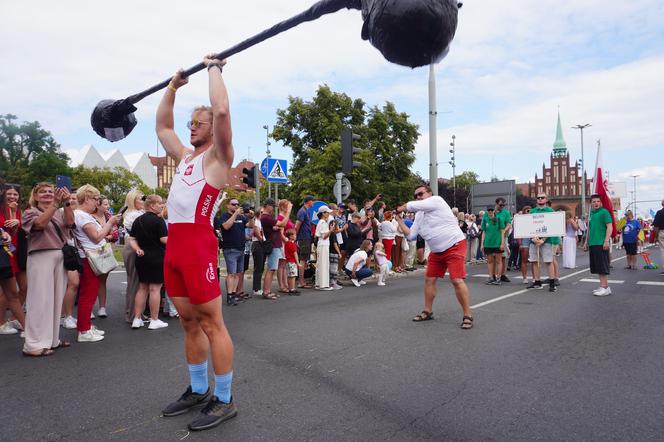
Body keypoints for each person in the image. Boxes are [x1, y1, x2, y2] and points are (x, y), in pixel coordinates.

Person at [156, 55, 237, 430]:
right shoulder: (185, 157)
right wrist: (172, 87)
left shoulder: (219, 159)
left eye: (197, 123)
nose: (192, 128)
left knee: (211, 323)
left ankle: (223, 398)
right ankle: (198, 388)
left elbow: (221, 110)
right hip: (175, 247)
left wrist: (213, 68)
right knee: (188, 322)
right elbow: (162, 126)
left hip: (199, 245)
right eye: (191, 123)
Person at [395, 185, 473, 329]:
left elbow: (411, 205)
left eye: (420, 194)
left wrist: (401, 208)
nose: (418, 197)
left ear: (429, 193)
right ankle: (428, 311)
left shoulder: (437, 200)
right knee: (429, 280)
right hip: (437, 251)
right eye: (416, 195)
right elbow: (411, 235)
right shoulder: (419, 215)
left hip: (454, 244)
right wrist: (399, 220)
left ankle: (467, 315)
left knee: (456, 280)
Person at [21, 183, 74, 356]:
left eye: (50, 192)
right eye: (42, 192)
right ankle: (33, 344)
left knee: (56, 299)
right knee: (39, 300)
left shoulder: (58, 211)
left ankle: (52, 339)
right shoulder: (30, 212)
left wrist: (66, 203)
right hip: (40, 256)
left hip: (59, 256)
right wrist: (55, 204)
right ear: (35, 196)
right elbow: (40, 225)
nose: (47, 194)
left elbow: (70, 222)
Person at [72, 185, 121, 342]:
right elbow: (96, 237)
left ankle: (85, 325)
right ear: (87, 198)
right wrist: (110, 222)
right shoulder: (83, 216)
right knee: (88, 294)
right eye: (95, 199)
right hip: (90, 257)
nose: (96, 203)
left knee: (88, 293)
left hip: (87, 256)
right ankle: (84, 330)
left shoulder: (78, 214)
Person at [129, 195, 169, 329]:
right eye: (159, 204)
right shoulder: (159, 221)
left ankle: (137, 318)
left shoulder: (138, 220)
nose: (161, 206)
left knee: (142, 288)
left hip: (141, 257)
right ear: (152, 205)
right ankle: (154, 319)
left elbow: (132, 239)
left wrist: (137, 249)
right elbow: (164, 240)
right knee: (155, 289)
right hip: (157, 257)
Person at [0, 183, 26, 335]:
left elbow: (16, 231)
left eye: (15, 194)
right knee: (8, 292)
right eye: (9, 193)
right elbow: (7, 229)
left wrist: (16, 216)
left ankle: (14, 318)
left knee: (25, 287)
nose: (12, 196)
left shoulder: (19, 211)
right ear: (3, 194)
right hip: (4, 252)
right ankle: (2, 322)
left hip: (17, 252)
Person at [90, 195, 118, 318]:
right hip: (92, 251)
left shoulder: (108, 217)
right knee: (90, 281)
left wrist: (108, 236)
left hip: (105, 250)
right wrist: (105, 234)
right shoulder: (90, 217)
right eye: (105, 204)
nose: (108, 206)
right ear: (98, 205)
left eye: (108, 204)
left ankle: (102, 307)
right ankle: (89, 308)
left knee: (103, 281)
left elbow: (116, 234)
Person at [217, 198, 248, 306]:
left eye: (237, 204)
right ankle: (230, 296)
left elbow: (250, 225)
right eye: (234, 204)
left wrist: (252, 216)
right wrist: (235, 214)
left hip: (240, 248)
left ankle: (234, 295)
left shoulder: (241, 217)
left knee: (237, 274)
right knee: (231, 274)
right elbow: (225, 226)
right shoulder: (224, 216)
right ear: (228, 206)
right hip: (230, 249)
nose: (236, 206)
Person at [583, 195, 614, 296]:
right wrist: (586, 243)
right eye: (593, 202)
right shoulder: (591, 214)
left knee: (602, 266)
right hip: (593, 243)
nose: (596, 203)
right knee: (597, 267)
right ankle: (603, 286)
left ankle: (605, 287)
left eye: (597, 201)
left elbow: (610, 227)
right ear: (591, 203)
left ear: (601, 203)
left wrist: (606, 241)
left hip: (601, 243)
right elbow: (589, 231)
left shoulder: (604, 212)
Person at [121, 190, 145, 323]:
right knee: (134, 282)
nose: (143, 201)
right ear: (132, 201)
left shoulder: (139, 213)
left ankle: (137, 312)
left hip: (137, 246)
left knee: (139, 282)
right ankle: (132, 314)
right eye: (140, 199)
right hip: (133, 247)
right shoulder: (132, 215)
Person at [526, 193, 557, 292]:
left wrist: (543, 240)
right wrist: (533, 239)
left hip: (546, 241)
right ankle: (537, 282)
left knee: (549, 261)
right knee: (534, 261)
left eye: (542, 198)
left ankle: (552, 283)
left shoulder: (550, 211)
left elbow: (553, 226)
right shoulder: (532, 211)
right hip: (533, 241)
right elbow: (528, 226)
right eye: (538, 198)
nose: (540, 199)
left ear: (546, 199)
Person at [61, 192, 80, 329]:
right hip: (62, 250)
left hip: (72, 251)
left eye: (75, 198)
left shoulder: (80, 214)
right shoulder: (61, 211)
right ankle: (64, 316)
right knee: (72, 283)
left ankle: (66, 315)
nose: (72, 200)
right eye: (70, 198)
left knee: (72, 284)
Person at [260, 198, 281, 300]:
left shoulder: (266, 217)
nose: (273, 208)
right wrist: (288, 211)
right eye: (272, 206)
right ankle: (266, 292)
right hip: (272, 244)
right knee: (271, 269)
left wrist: (276, 227)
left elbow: (276, 226)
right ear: (267, 205)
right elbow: (282, 223)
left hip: (274, 244)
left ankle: (267, 290)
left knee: (272, 269)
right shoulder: (265, 217)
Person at [480, 207, 505, 285]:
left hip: (497, 242)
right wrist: (482, 244)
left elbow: (502, 231)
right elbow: (483, 232)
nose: (490, 212)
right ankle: (491, 277)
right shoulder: (485, 219)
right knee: (490, 261)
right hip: (488, 243)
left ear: (494, 211)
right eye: (489, 210)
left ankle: (498, 278)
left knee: (498, 261)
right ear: (487, 211)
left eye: (491, 210)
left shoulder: (498, 219)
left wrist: (502, 243)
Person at [295, 196, 314, 289]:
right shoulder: (302, 211)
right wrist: (295, 238)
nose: (313, 203)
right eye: (312, 201)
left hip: (306, 238)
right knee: (302, 259)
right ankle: (300, 281)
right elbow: (297, 225)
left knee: (304, 259)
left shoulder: (306, 211)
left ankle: (302, 280)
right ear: (308, 202)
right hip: (303, 238)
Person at [276, 199, 294, 294]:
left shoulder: (285, 216)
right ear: (283, 207)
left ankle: (285, 284)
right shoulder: (280, 217)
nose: (289, 208)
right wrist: (287, 241)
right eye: (288, 206)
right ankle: (281, 285)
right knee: (281, 265)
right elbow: (281, 233)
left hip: (287, 243)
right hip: (283, 244)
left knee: (284, 265)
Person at [315, 206, 333, 290]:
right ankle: (323, 285)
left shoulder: (321, 222)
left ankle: (319, 283)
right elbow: (324, 236)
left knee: (320, 264)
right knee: (324, 264)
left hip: (322, 245)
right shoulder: (323, 223)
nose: (329, 214)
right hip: (323, 245)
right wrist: (331, 230)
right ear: (323, 213)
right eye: (327, 212)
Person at [283, 229, 301, 295]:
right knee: (293, 276)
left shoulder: (287, 243)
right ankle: (292, 289)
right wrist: (298, 263)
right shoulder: (292, 244)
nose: (296, 236)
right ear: (290, 236)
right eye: (295, 234)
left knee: (290, 275)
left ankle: (290, 288)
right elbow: (295, 253)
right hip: (292, 262)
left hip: (288, 262)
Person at [518, 206, 533, 285]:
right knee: (524, 260)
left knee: (534, 260)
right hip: (525, 240)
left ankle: (535, 277)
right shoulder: (521, 221)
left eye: (530, 211)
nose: (529, 212)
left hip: (533, 239)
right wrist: (520, 243)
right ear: (524, 212)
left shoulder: (534, 219)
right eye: (527, 211)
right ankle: (525, 277)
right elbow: (518, 233)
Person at [653, 199, 664, 274]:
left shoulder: (659, 213)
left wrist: (656, 237)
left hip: (662, 232)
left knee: (663, 251)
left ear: (662, 204)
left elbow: (656, 226)